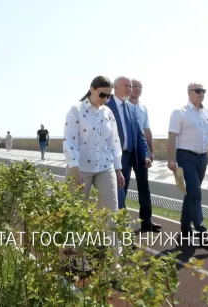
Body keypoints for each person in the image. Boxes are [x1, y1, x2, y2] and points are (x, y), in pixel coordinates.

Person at [63, 75, 125, 266]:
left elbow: (114, 141)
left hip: (105, 167)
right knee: (77, 213)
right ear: (92, 89)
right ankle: (77, 257)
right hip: (80, 168)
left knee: (111, 213)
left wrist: (118, 168)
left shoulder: (108, 113)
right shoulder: (76, 110)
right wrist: (74, 167)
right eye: (102, 94)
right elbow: (69, 140)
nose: (105, 99)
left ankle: (115, 262)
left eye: (109, 95)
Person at [167, 82, 208, 246]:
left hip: (202, 157)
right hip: (185, 156)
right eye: (198, 91)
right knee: (195, 192)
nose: (201, 93)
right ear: (189, 93)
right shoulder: (179, 113)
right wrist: (171, 159)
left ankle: (185, 227)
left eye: (203, 91)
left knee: (192, 193)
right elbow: (172, 137)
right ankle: (201, 230)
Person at [106, 76, 157, 232]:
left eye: (131, 86)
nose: (130, 88)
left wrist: (147, 154)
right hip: (116, 158)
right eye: (127, 86)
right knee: (121, 191)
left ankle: (144, 223)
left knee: (143, 188)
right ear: (115, 88)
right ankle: (122, 229)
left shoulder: (131, 108)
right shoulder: (107, 106)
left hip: (134, 155)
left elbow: (140, 134)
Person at [124, 78, 160, 232]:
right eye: (134, 86)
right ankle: (121, 225)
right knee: (121, 188)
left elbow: (147, 130)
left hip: (141, 153)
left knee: (144, 188)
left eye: (140, 86)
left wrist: (150, 151)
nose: (137, 89)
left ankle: (147, 221)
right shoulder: (122, 106)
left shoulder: (144, 108)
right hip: (125, 152)